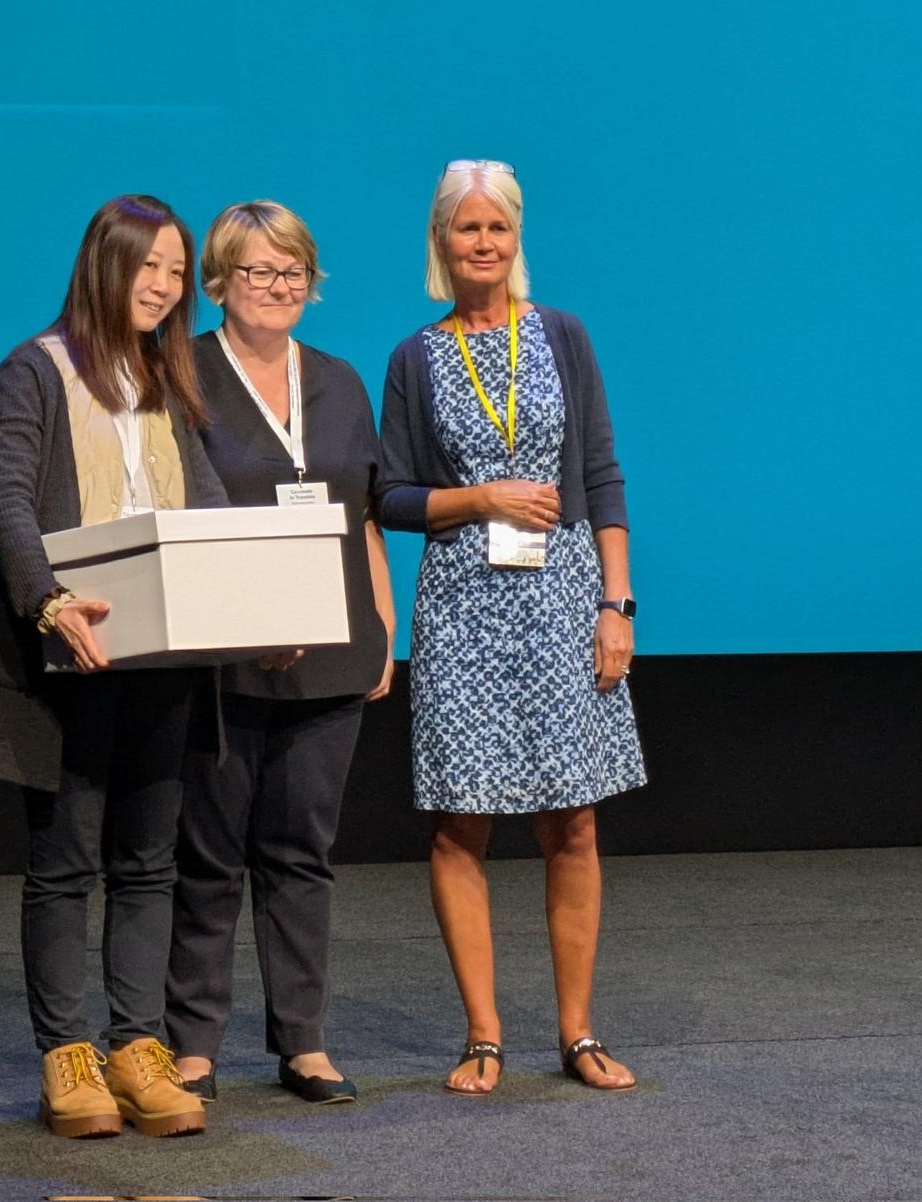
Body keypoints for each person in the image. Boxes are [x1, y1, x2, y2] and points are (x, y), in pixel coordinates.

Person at [376, 161, 646, 1094]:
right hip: (461, 606)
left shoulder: (562, 335)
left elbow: (601, 475)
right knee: (463, 823)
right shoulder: (416, 356)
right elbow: (391, 495)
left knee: (573, 821)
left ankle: (577, 1033)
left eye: (497, 227)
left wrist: (616, 605)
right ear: (441, 241)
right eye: (467, 228)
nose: (483, 243)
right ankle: (483, 1036)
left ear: (516, 237)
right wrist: (480, 497)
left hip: (564, 598)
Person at [0, 194, 228, 1138]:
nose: (163, 286)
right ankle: (65, 1057)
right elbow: (6, 503)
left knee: (150, 861)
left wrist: (256, 601)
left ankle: (136, 1048)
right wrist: (48, 600)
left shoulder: (168, 378)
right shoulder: (34, 370)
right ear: (104, 264)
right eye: (147, 266)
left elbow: (205, 508)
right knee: (65, 863)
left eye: (176, 271)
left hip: (160, 655)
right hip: (65, 653)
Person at [165, 201, 396, 1106]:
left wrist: (384, 629)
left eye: (293, 270)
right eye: (258, 271)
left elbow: (363, 513)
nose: (278, 286)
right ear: (220, 282)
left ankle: (303, 1041)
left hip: (333, 651)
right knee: (210, 854)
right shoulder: (180, 373)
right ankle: (193, 1044)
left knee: (302, 852)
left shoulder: (338, 379)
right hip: (222, 658)